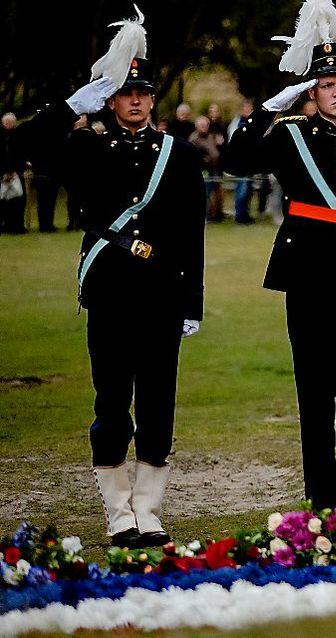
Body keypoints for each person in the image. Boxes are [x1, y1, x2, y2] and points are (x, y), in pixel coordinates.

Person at [22, 7, 205, 548]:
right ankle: (118, 512)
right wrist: (71, 106)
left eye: (143, 93)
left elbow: (191, 233)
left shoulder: (180, 155)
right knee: (110, 404)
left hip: (162, 296)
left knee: (158, 404)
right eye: (125, 93)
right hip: (107, 293)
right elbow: (23, 148)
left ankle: (149, 510)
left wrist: (191, 302)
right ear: (111, 97)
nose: (136, 101)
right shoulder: (86, 146)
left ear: (152, 98)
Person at [222, 0, 336, 511]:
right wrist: (268, 108)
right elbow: (235, 160)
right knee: (315, 397)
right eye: (327, 85)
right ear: (313, 91)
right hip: (307, 281)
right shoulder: (289, 134)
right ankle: (322, 501)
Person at [188, 116, 225, 222]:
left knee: (218, 193)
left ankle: (217, 214)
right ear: (197, 126)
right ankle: (205, 216)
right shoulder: (194, 139)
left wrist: (219, 145)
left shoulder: (210, 136)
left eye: (206, 125)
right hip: (203, 170)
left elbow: (216, 152)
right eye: (202, 126)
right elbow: (194, 156)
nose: (205, 127)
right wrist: (205, 159)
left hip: (215, 168)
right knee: (205, 193)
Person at [227, 99, 258, 224]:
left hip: (250, 161)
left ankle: (245, 213)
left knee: (248, 189)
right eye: (245, 108)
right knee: (242, 188)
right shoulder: (236, 124)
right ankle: (240, 215)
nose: (247, 111)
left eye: (249, 108)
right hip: (240, 161)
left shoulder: (254, 123)